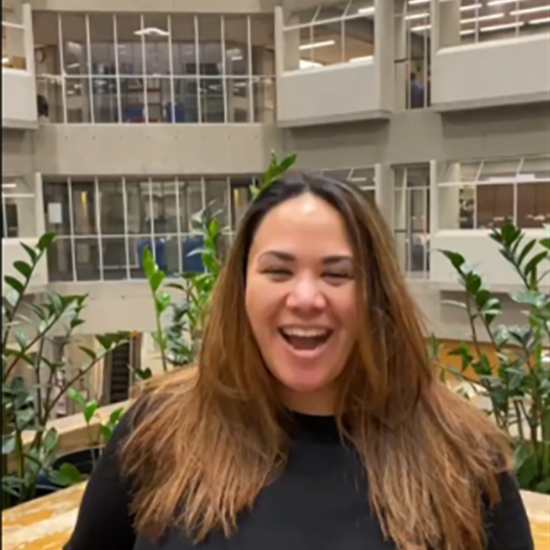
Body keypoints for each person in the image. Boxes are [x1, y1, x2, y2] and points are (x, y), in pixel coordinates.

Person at [65, 173, 534, 550]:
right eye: (278, 270)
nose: (306, 298)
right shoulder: (158, 428)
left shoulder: (464, 454)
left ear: (378, 295)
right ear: (243, 288)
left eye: (337, 274)